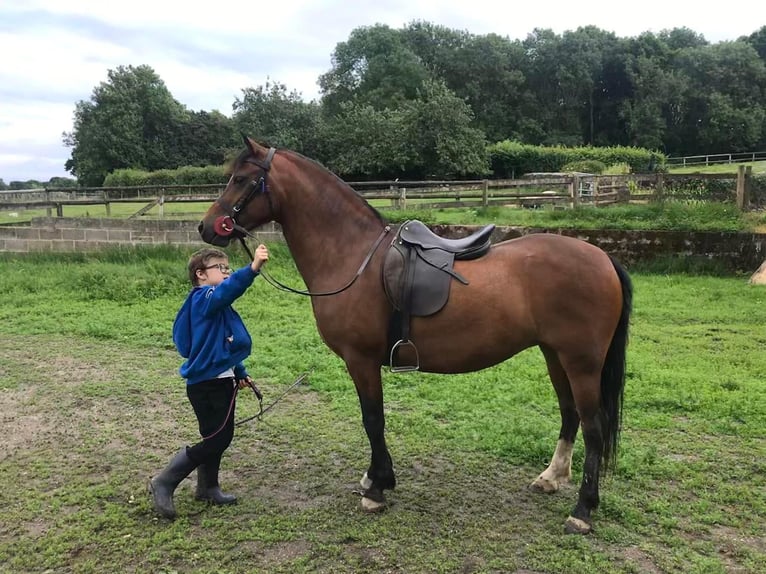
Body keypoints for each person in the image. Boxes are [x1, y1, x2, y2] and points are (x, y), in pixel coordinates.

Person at [149, 244, 269, 520]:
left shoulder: (214, 306)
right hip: (207, 384)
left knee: (214, 436)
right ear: (201, 274)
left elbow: (221, 343)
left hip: (219, 379)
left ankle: (208, 487)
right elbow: (227, 291)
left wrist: (239, 371)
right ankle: (165, 481)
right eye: (221, 268)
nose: (227, 273)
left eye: (229, 268)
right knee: (218, 439)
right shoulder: (204, 298)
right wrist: (251, 269)